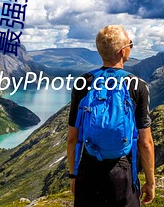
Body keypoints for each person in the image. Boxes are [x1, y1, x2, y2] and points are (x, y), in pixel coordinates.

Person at [67, 25, 155, 207]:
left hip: (89, 169)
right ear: (123, 51)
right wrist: (150, 182)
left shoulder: (83, 82)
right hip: (122, 172)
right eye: (131, 44)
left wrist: (73, 175)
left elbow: (72, 138)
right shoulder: (137, 86)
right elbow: (145, 142)